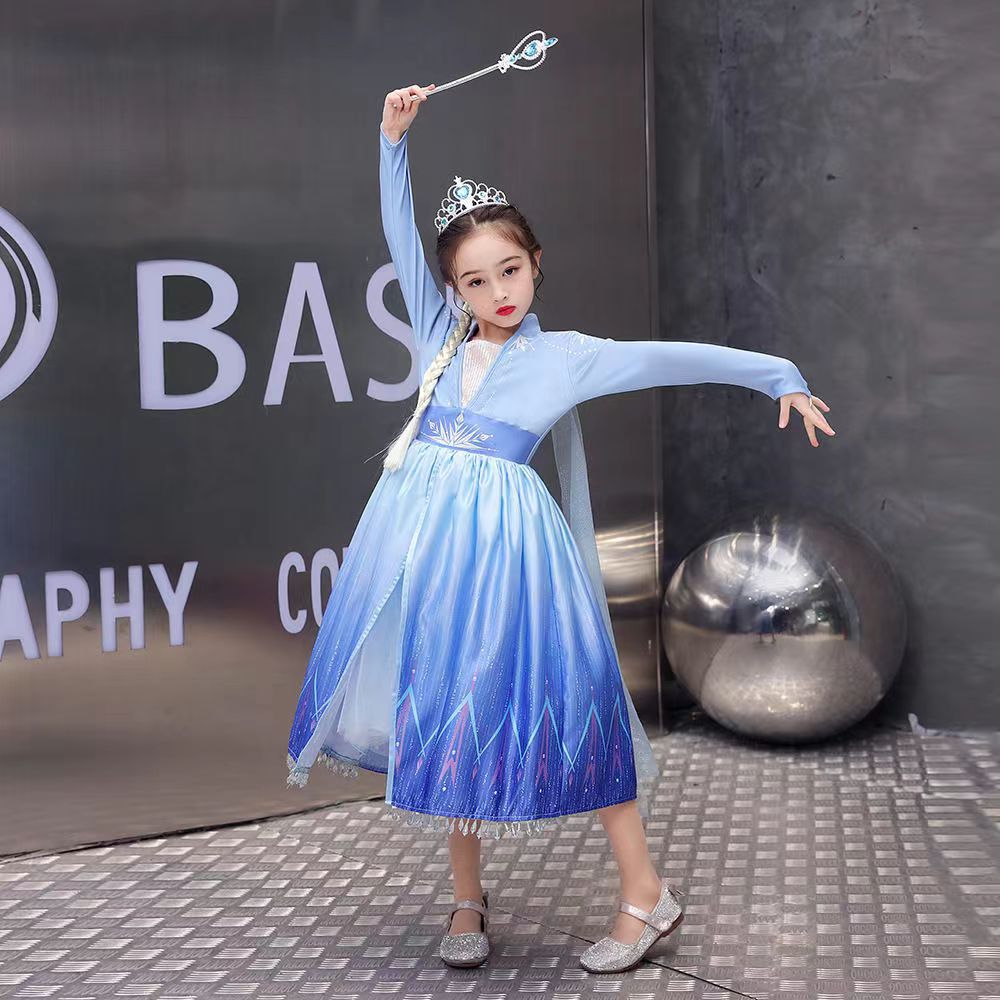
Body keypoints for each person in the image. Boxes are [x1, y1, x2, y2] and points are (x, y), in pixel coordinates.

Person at [286, 83, 835, 973]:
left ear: (536, 264)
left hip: (510, 556)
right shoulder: (439, 336)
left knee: (574, 703)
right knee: (445, 707)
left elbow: (674, 359)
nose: (496, 291)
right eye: (475, 280)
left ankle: (645, 892)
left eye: (509, 270)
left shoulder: (566, 357)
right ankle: (467, 897)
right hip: (428, 550)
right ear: (451, 289)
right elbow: (397, 234)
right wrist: (392, 143)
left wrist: (780, 376)